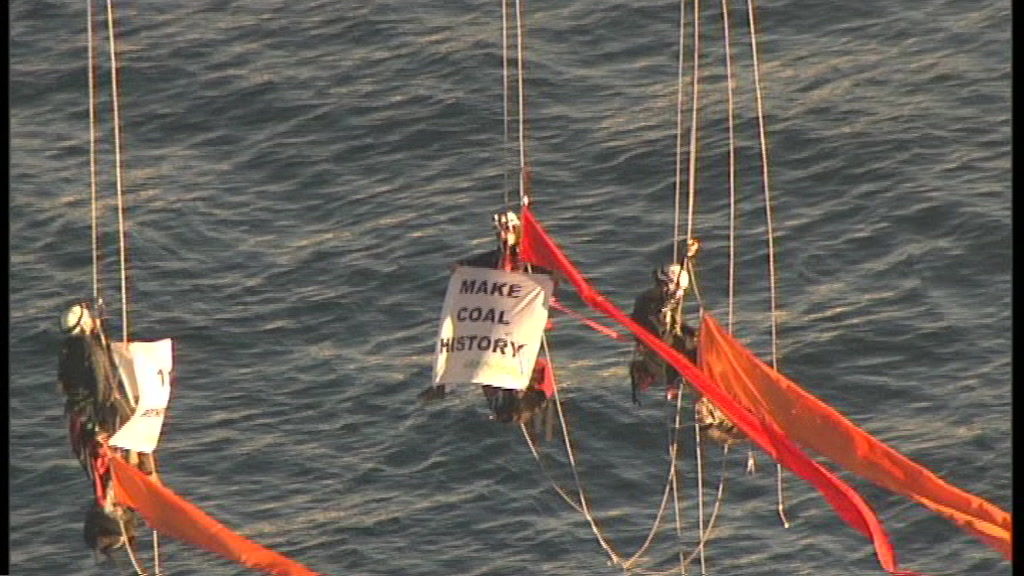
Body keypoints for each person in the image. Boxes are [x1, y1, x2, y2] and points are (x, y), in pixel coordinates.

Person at [422, 210, 556, 428]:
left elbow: (548, 275)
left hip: (521, 330)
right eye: (501, 230)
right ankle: (503, 407)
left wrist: (550, 277)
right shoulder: (490, 260)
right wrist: (459, 270)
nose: (505, 235)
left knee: (525, 376)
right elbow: (469, 269)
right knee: (493, 374)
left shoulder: (530, 261)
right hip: (494, 329)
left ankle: (532, 405)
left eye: (510, 230)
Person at [58, 302, 153, 558]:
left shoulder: (68, 349)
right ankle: (116, 521)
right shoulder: (87, 349)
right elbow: (102, 385)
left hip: (81, 419)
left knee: (103, 471)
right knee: (114, 462)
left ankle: (119, 520)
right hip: (96, 418)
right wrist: (104, 422)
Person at [628, 240, 700, 405]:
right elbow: (663, 340)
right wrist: (672, 382)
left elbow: (669, 325)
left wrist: (685, 254)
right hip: (657, 344)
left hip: (656, 343)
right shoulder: (654, 302)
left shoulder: (657, 300)